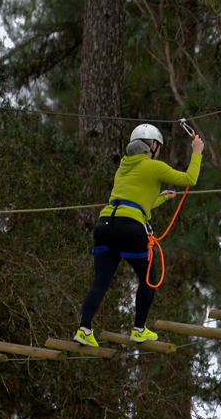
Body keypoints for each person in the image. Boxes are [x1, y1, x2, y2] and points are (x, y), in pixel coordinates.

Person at [74, 124, 204, 346]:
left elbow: (138, 202)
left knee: (100, 282)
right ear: (152, 146)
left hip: (104, 225)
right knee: (148, 278)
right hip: (129, 228)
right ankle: (139, 329)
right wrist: (197, 152)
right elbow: (190, 179)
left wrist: (162, 197)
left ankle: (84, 329)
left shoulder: (123, 168)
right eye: (158, 147)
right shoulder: (154, 166)